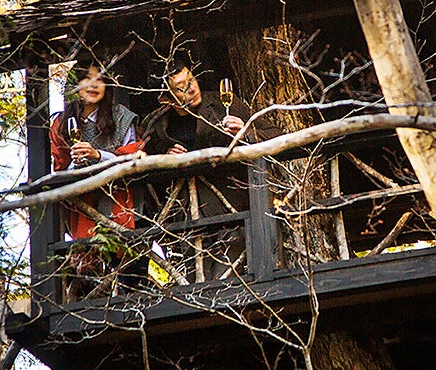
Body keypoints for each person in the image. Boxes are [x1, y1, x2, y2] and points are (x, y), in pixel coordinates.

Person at [142, 58, 276, 281]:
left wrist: (245, 133)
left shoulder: (224, 102)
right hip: (186, 217)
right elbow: (144, 164)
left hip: (231, 209)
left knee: (232, 274)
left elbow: (274, 134)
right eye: (181, 87)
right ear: (166, 98)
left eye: (191, 79)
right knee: (195, 281)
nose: (192, 88)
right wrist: (164, 159)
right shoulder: (156, 124)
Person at [49, 63, 143, 240]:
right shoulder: (61, 123)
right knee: (87, 255)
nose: (92, 85)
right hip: (82, 202)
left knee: (125, 256)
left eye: (99, 80)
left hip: (118, 198)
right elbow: (59, 166)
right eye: (86, 79)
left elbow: (133, 156)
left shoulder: (122, 117)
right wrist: (75, 164)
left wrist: (98, 156)